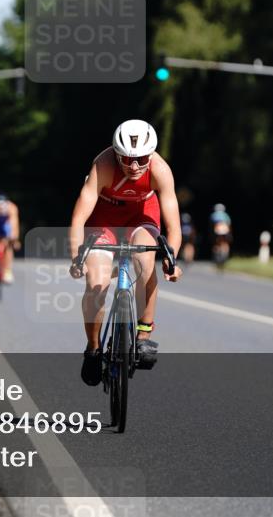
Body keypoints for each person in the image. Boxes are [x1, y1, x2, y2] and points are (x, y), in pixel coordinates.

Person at [69, 119, 182, 386]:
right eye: (127, 159)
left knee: (145, 259)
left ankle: (143, 335)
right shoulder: (103, 165)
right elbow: (79, 217)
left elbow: (173, 225)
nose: (134, 166)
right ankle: (94, 349)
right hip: (104, 218)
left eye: (141, 159)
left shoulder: (160, 170)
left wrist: (171, 259)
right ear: (116, 153)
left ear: (151, 154)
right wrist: (76, 256)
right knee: (96, 282)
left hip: (141, 215)